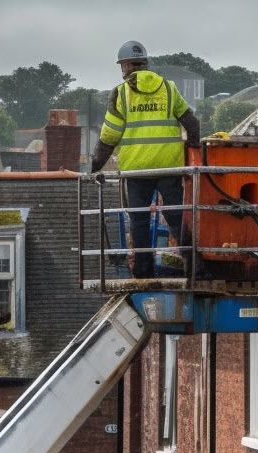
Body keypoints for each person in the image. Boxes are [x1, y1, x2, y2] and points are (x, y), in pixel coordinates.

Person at [90, 40, 202, 278]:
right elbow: (192, 123)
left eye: (122, 65)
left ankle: (143, 272)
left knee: (139, 222)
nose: (122, 70)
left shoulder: (121, 94)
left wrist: (95, 167)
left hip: (136, 172)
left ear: (128, 65)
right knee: (176, 218)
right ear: (145, 63)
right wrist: (192, 149)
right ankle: (194, 268)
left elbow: (109, 136)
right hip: (169, 168)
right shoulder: (169, 88)